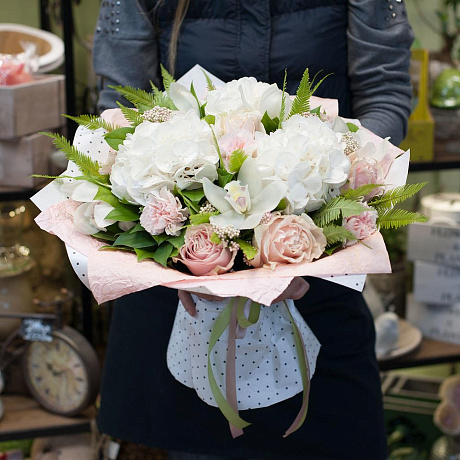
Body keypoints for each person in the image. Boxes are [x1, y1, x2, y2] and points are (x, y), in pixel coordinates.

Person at [93, 1, 414, 459]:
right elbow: (120, 111)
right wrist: (185, 249)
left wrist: (324, 188)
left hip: (317, 272)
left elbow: (384, 94)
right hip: (178, 290)